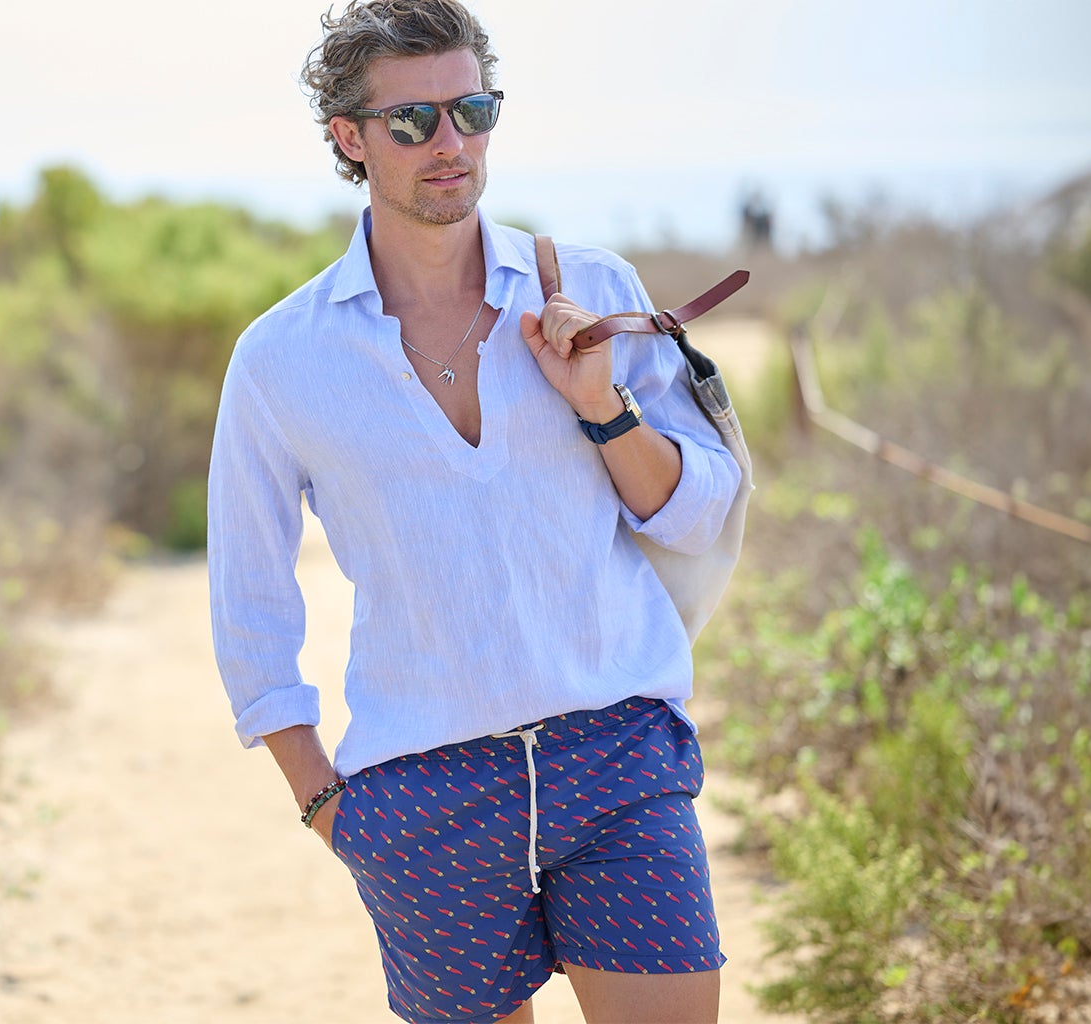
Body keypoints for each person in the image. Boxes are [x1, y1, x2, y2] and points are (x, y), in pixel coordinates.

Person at [204, 2, 744, 1022]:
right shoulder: (281, 358)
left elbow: (692, 514)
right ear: (349, 139)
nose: (449, 144)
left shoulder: (590, 290)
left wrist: (599, 406)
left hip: (616, 756)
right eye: (411, 122)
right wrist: (322, 797)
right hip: (424, 793)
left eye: (472, 109)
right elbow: (247, 596)